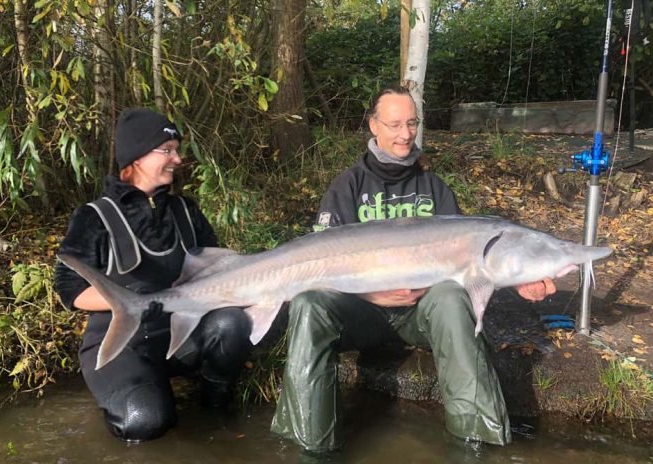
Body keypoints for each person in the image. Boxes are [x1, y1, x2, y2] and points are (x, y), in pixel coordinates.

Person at [270, 87, 556, 453]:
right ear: (374, 126)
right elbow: (317, 264)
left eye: (412, 123)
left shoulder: (433, 187)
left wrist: (517, 280)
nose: (405, 134)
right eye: (394, 124)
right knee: (309, 304)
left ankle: (477, 443)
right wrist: (370, 294)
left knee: (452, 296)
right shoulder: (347, 187)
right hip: (361, 313)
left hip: (421, 313)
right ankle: (311, 447)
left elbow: (472, 260)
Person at [55, 108, 252, 442]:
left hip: (181, 337)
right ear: (137, 156)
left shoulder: (185, 211)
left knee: (231, 322)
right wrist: (135, 298)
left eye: (176, 149)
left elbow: (220, 271)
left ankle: (215, 406)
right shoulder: (93, 217)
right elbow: (69, 291)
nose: (177, 158)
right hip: (123, 346)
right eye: (167, 150)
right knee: (144, 421)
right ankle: (138, 394)